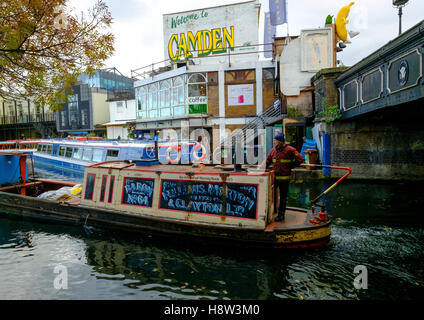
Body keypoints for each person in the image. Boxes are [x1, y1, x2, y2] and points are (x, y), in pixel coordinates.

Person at [263, 132, 304, 222]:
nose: (274, 142)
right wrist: (261, 168)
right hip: (274, 179)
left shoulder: (290, 150)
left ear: (281, 142)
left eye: (275, 141)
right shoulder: (273, 150)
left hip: (285, 179)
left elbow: (300, 159)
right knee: (271, 195)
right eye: (274, 141)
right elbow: (267, 161)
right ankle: (271, 212)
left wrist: (291, 165)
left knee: (283, 197)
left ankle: (281, 215)